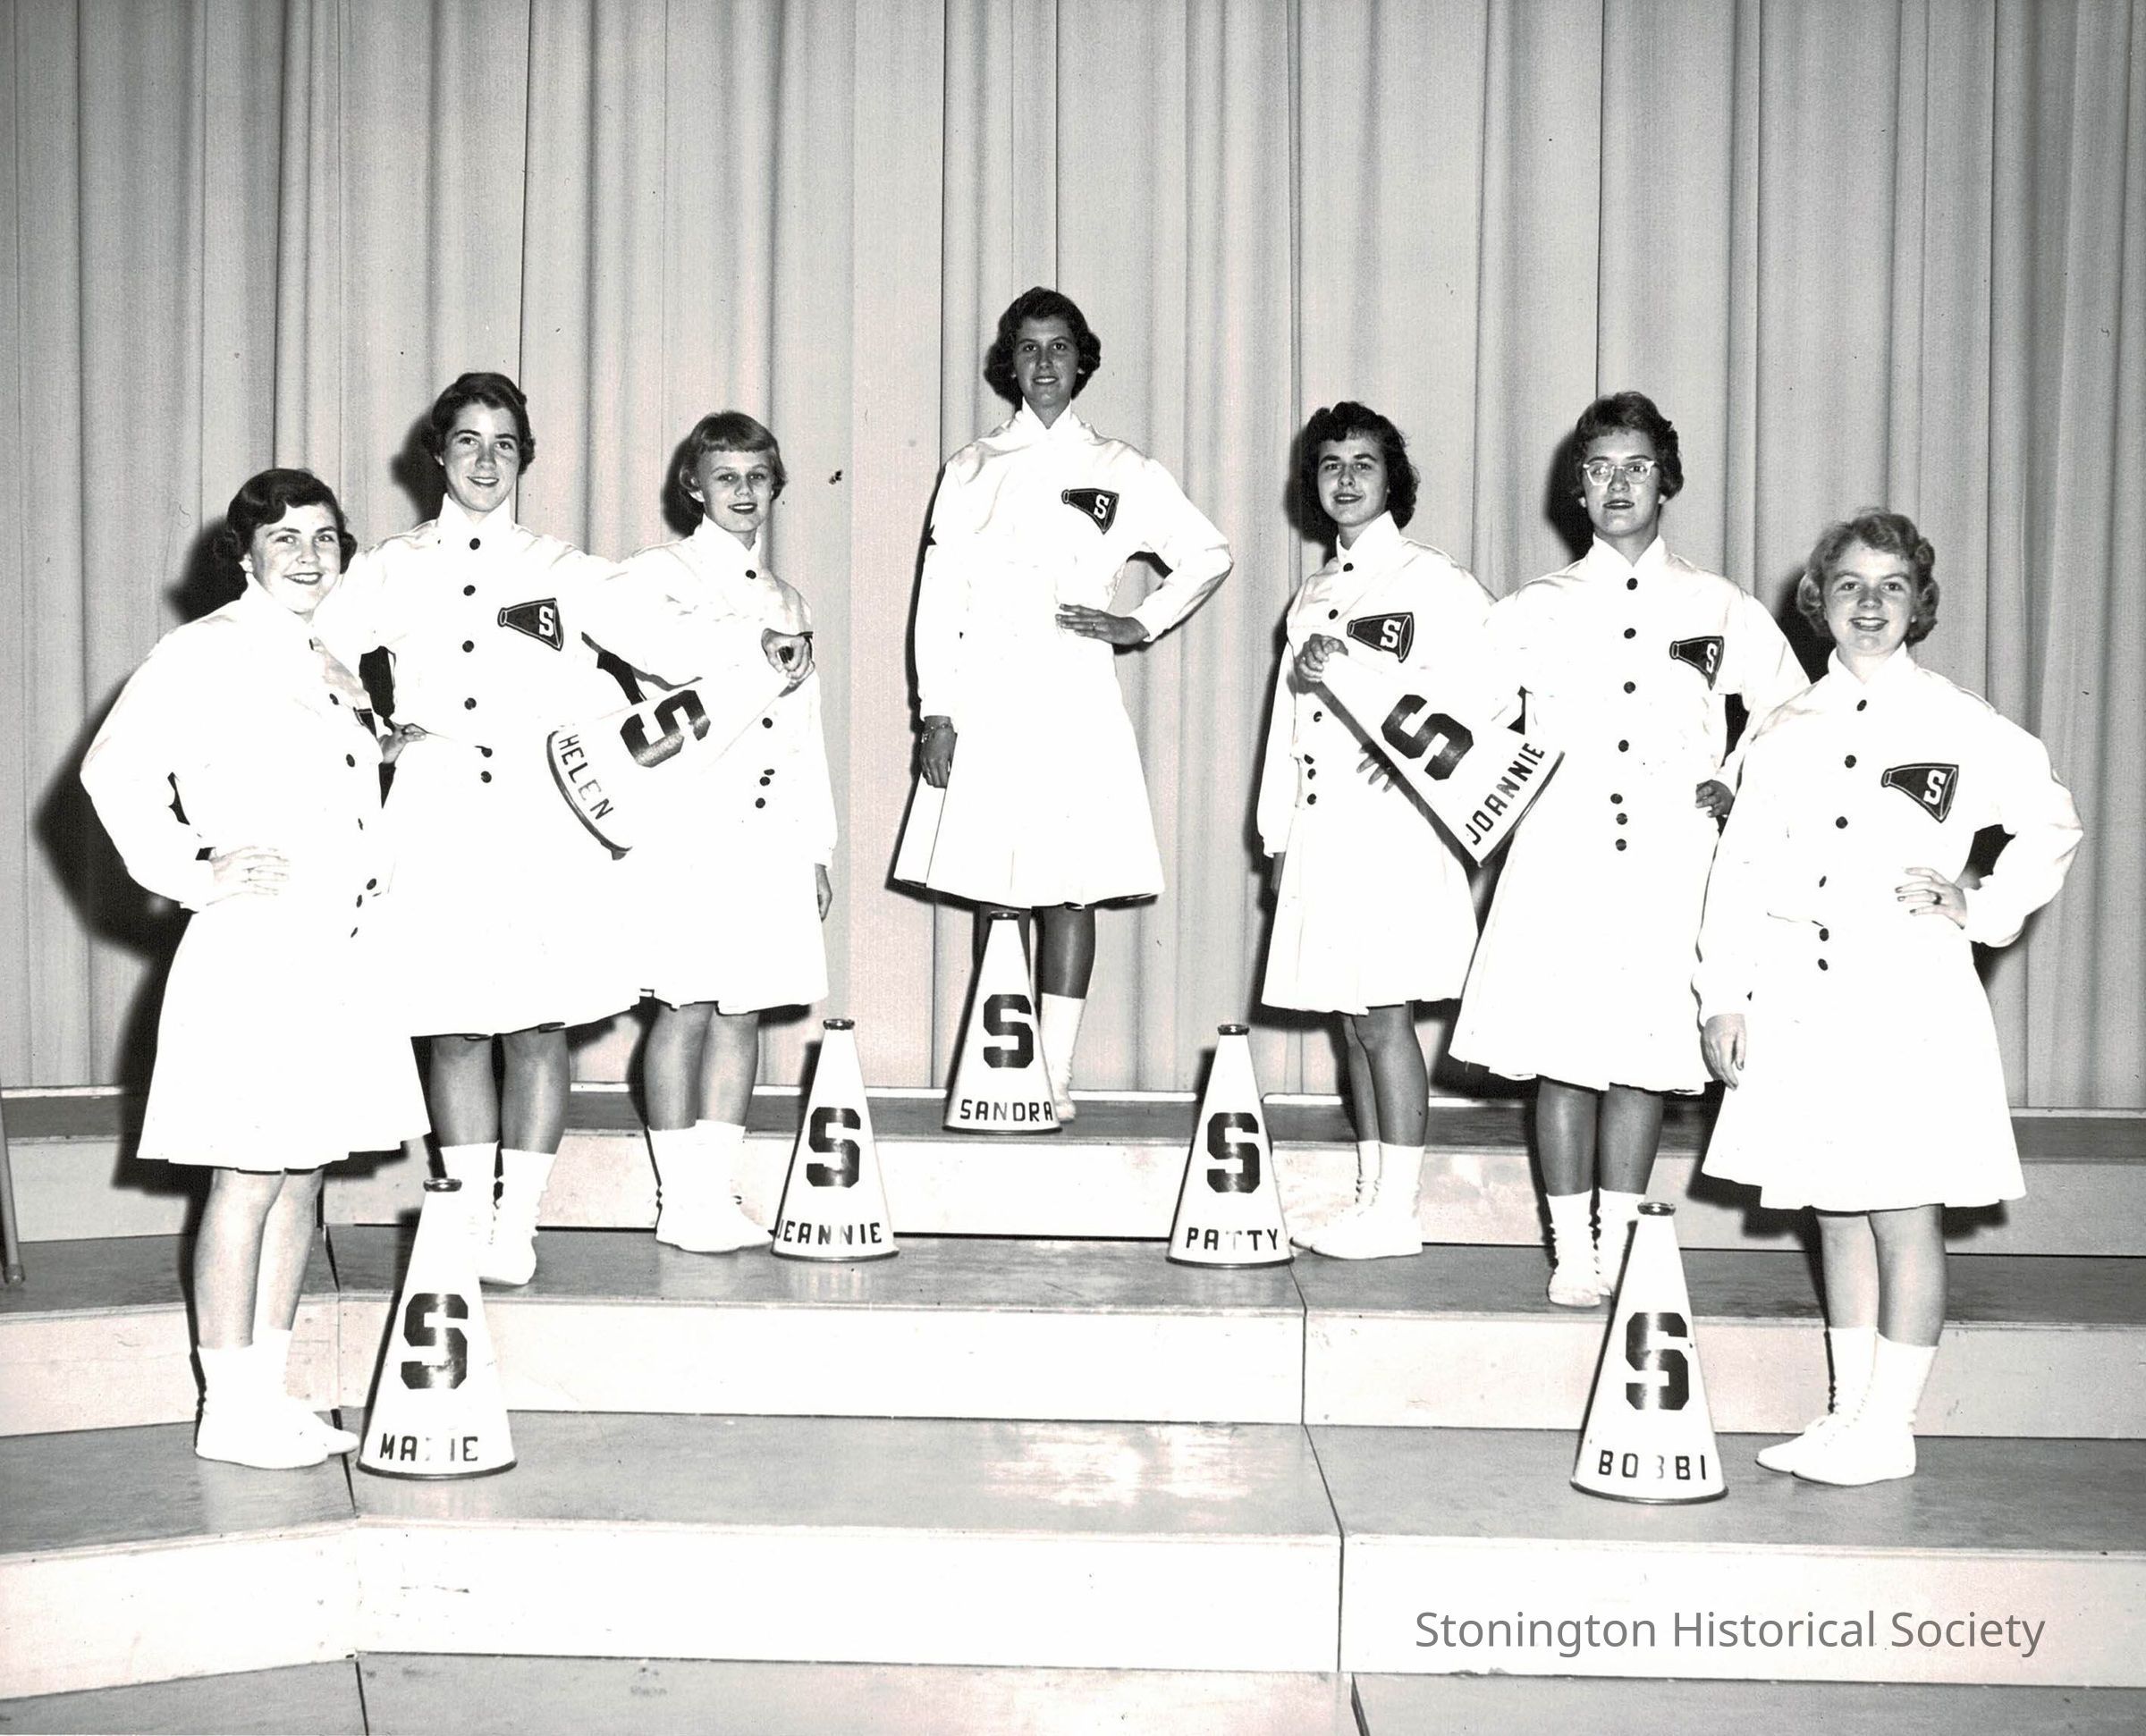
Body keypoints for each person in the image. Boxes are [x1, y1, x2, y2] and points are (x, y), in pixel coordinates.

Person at [313, 372, 762, 1285]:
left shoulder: (563, 570)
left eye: (505, 443)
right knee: (453, 1028)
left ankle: (515, 1225)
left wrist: (759, 650)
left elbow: (680, 649)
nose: (487, 460)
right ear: (437, 453)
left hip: (537, 815)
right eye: (468, 441)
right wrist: (370, 734)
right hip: (436, 809)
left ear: (524, 457)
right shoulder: (393, 566)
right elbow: (312, 649)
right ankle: (468, 1219)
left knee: (534, 1027)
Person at [1697, 510, 2080, 1486]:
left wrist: (1979, 904)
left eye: (1892, 586)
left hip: (1907, 996)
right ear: (1818, 600)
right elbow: (1738, 870)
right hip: (1800, 994)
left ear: (1920, 603)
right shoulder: (1784, 728)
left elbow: (2050, 822)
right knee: (1834, 1208)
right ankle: (1847, 1413)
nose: (1870, 604)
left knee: (1904, 1208)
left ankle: (1891, 1424)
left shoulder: (1957, 720)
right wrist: (1724, 995)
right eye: (1850, 585)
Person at [81, 468, 430, 1468]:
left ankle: (267, 1393)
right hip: (257, 950)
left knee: (303, 1173)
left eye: (325, 537)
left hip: (337, 951)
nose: (309, 556)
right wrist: (194, 870)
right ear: (243, 556)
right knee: (247, 1174)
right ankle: (226, 1408)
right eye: (284, 539)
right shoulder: (206, 649)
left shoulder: (331, 658)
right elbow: (112, 773)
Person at [1451, 392, 1805, 1305]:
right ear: (1577, 487)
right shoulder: (1536, 607)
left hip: (1670, 858)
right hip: (1562, 854)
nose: (1619, 485)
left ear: (1665, 481)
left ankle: (1618, 1241)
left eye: (1637, 467)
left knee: (1645, 1056)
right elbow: (1461, 720)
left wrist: (1735, 778)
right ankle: (1572, 1249)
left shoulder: (1715, 603)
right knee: (1565, 1058)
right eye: (1600, 468)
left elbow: (1790, 710)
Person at [895, 288, 1231, 1119]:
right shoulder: (972, 467)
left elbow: (1207, 553)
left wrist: (1139, 621)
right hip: (987, 698)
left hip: (1076, 696)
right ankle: (1001, 1070)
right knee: (997, 886)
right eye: (1028, 348)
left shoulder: (1122, 468)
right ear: (1008, 364)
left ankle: (1057, 1073)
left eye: (1058, 347)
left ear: (1082, 360)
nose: (1044, 363)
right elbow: (939, 597)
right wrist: (938, 711)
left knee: (1072, 888)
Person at [1258, 403, 1496, 1259]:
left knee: (1385, 1018)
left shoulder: (1432, 580)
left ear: (1394, 479)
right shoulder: (1314, 594)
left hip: (1395, 832)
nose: (1347, 478)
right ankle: (1369, 1198)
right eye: (1331, 465)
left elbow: (1500, 685)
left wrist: (1419, 757)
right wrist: (1278, 834)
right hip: (1324, 830)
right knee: (1352, 1022)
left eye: (1364, 462)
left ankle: (1399, 1210)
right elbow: (1289, 725)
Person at [617, 413, 832, 1252]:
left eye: (757, 477)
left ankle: (713, 1192)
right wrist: (752, 639)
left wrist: (815, 846)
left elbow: (804, 733)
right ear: (694, 488)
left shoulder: (790, 599)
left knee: (743, 1012)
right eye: (726, 477)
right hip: (691, 825)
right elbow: (657, 650)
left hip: (769, 832)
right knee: (687, 1007)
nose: (743, 492)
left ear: (775, 487)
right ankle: (678, 1199)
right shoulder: (659, 575)